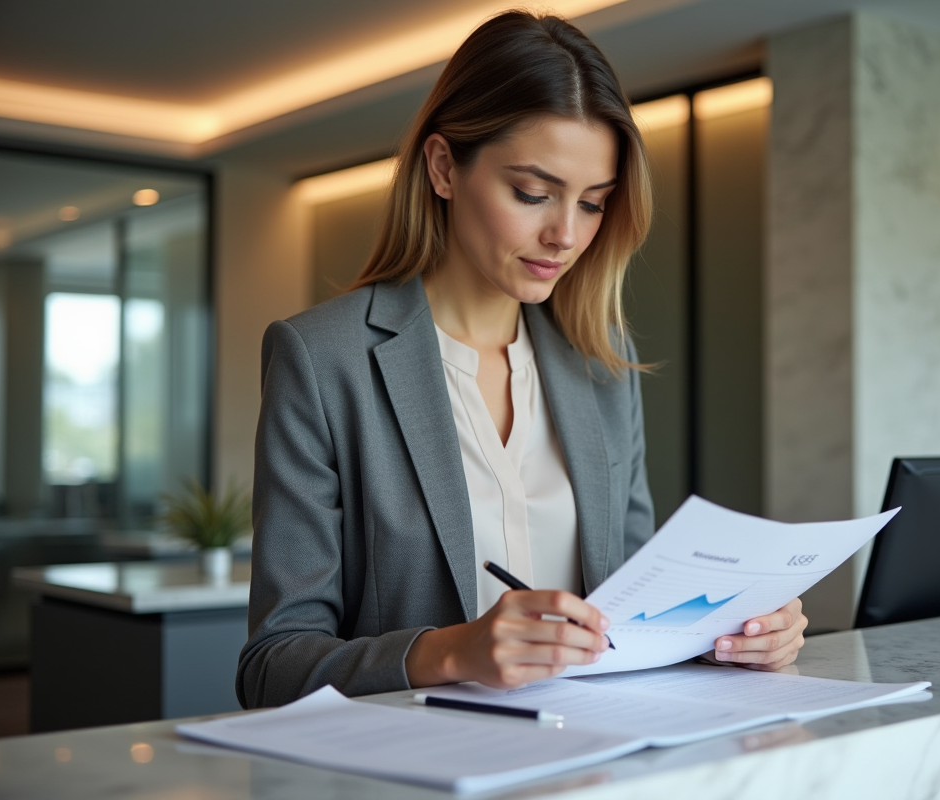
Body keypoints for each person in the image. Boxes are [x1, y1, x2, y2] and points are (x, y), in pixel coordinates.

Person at [236, 10, 807, 710]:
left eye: (593, 204)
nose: (565, 234)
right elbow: (272, 667)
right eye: (533, 194)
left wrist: (729, 634)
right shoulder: (323, 359)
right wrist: (452, 651)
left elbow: (636, 614)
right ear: (443, 168)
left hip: (597, 748)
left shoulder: (602, 365)